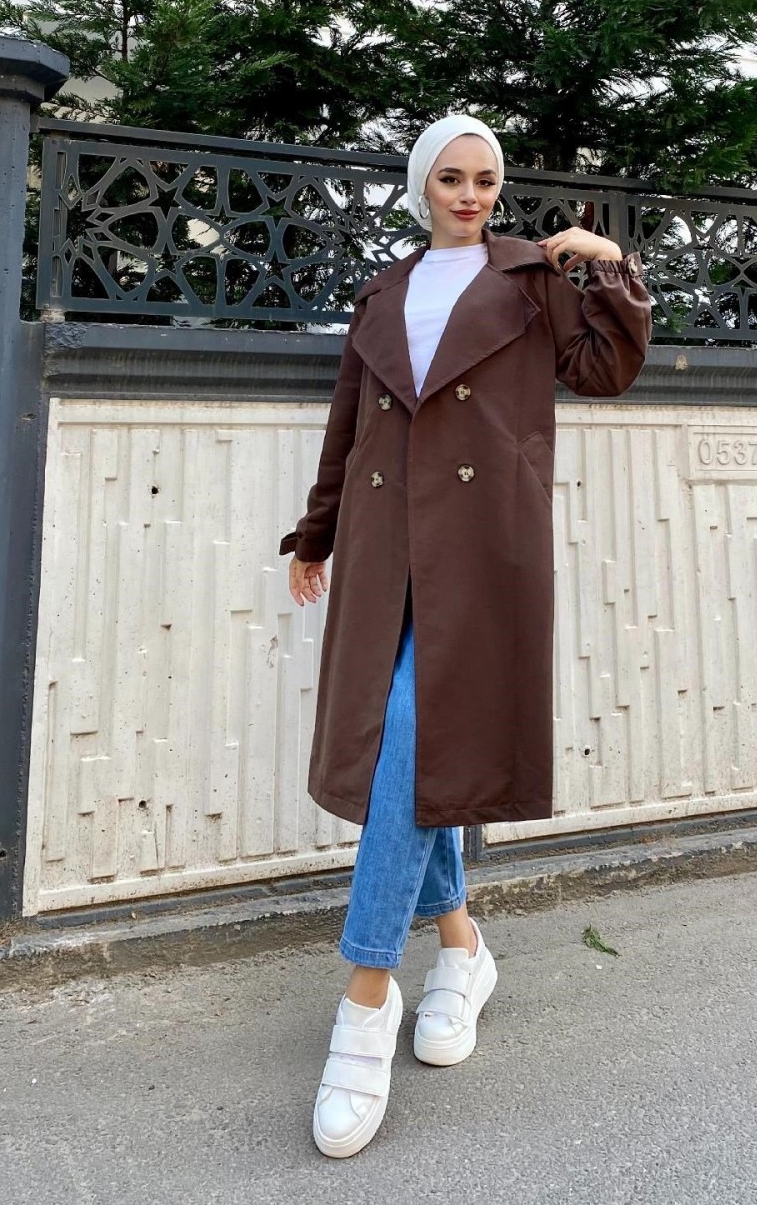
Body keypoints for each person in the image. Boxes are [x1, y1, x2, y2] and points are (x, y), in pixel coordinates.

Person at [280, 115, 652, 1159]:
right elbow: (349, 424)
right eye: (450, 177)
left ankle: (365, 996)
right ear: (422, 186)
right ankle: (461, 945)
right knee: (413, 745)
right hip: (386, 546)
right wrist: (315, 535)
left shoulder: (530, 277)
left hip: (482, 542)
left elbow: (604, 371)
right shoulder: (384, 292)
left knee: (408, 736)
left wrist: (608, 266)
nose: (470, 194)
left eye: (485, 179)